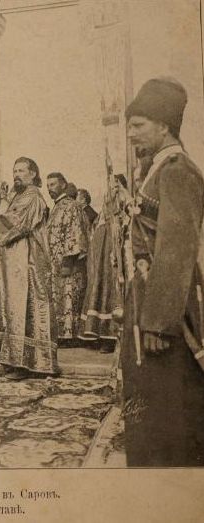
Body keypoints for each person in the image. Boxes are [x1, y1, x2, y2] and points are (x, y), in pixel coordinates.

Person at [121, 77, 204, 466]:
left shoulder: (176, 170)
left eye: (138, 125)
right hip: (148, 302)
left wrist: (158, 323)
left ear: (164, 126)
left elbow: (176, 251)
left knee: (170, 402)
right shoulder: (156, 168)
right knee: (149, 396)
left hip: (168, 317)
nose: (131, 134)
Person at [0, 157, 58, 379]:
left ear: (33, 174)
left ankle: (29, 364)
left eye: (21, 171)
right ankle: (13, 360)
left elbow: (18, 223)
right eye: (14, 171)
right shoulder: (17, 196)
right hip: (14, 264)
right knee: (13, 308)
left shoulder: (33, 197)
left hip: (29, 263)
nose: (16, 175)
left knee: (27, 308)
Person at [79, 176, 129, 350]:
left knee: (115, 292)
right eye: (111, 187)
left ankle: (113, 337)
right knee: (100, 290)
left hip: (118, 258)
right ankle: (99, 335)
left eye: (117, 186)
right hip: (101, 258)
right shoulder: (103, 213)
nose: (113, 190)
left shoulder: (125, 208)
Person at [46, 172, 89, 346]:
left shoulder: (71, 205)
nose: (49, 188)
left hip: (68, 265)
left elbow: (75, 233)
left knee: (70, 298)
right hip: (55, 263)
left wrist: (68, 261)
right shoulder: (57, 207)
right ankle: (62, 335)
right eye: (48, 185)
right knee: (60, 299)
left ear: (63, 185)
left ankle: (70, 337)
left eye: (53, 184)